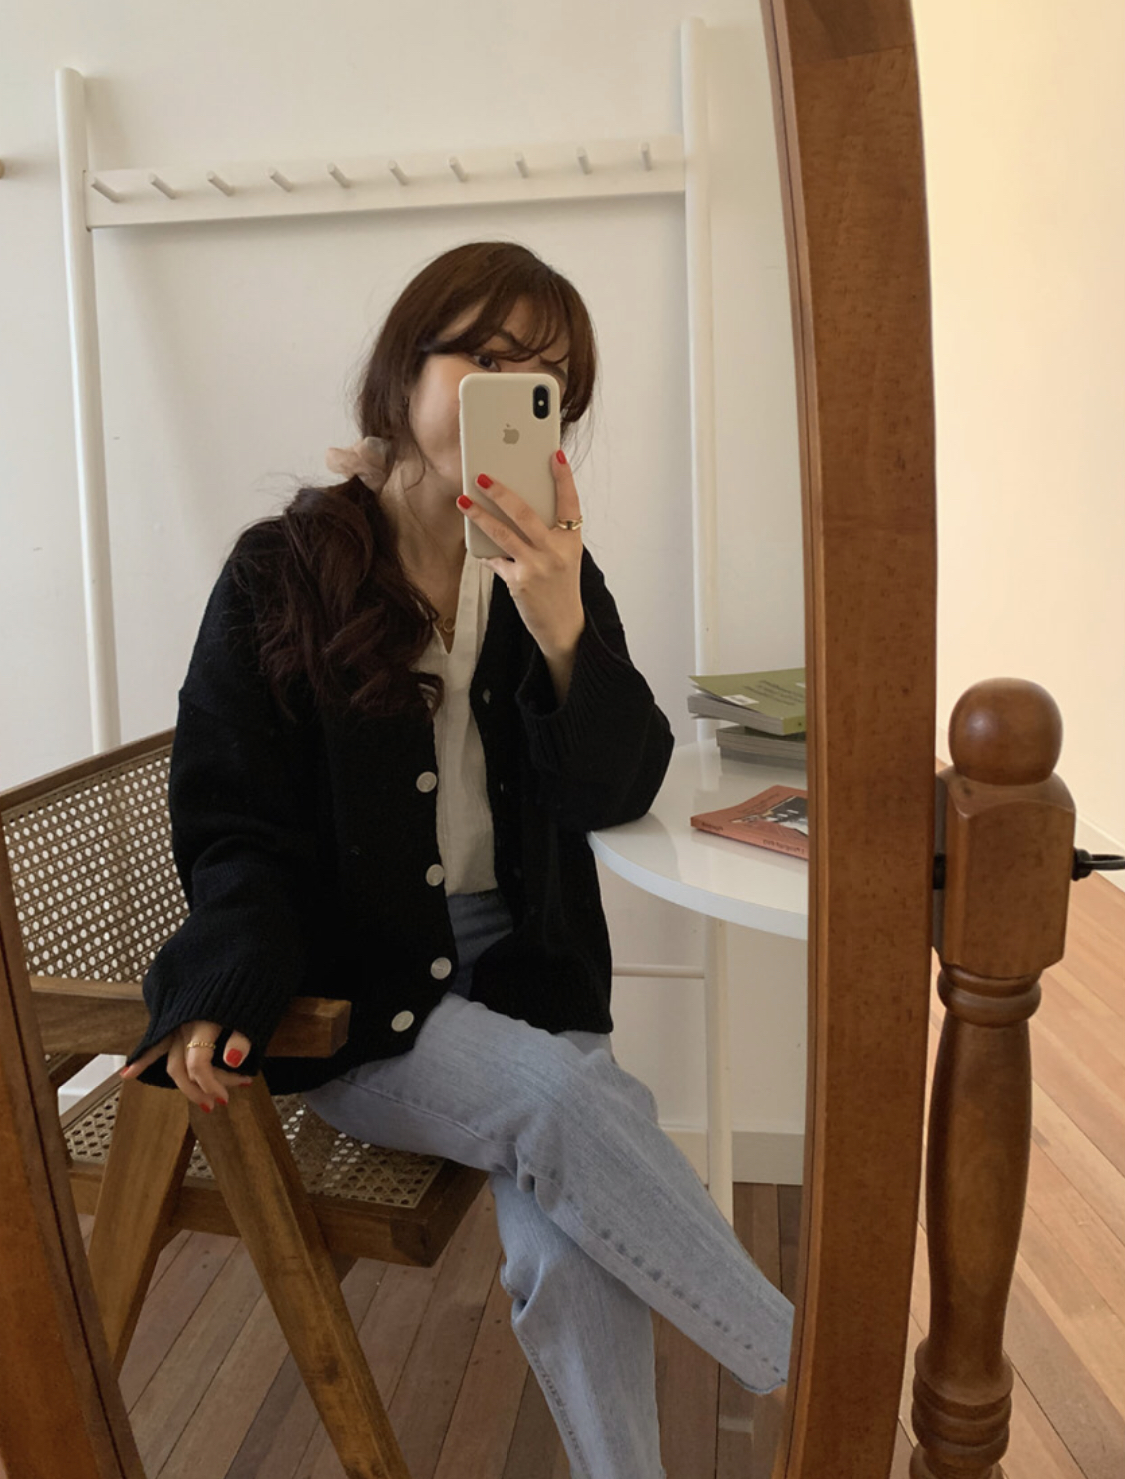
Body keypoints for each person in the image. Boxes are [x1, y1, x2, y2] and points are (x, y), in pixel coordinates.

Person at [121, 239, 793, 1479]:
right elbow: (235, 825)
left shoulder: (549, 571)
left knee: (567, 1247)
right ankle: (819, 1373)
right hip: (369, 995)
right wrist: (222, 977)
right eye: (485, 359)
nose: (516, 393)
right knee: (565, 1102)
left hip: (531, 971)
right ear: (403, 370)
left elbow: (616, 786)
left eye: (546, 380)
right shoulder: (284, 572)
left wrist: (564, 625)